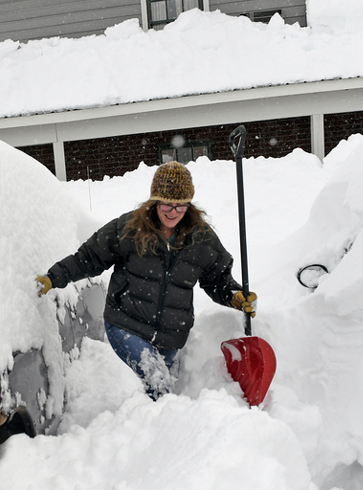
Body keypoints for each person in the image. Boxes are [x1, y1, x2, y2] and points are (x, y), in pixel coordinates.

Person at [36, 161, 256, 399]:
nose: (173, 212)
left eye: (180, 206)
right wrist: (53, 277)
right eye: (166, 205)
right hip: (126, 324)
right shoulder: (130, 228)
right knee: (159, 384)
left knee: (167, 388)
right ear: (154, 201)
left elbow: (217, 279)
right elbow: (89, 257)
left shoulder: (201, 238)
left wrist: (234, 296)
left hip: (172, 335)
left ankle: (155, 428)